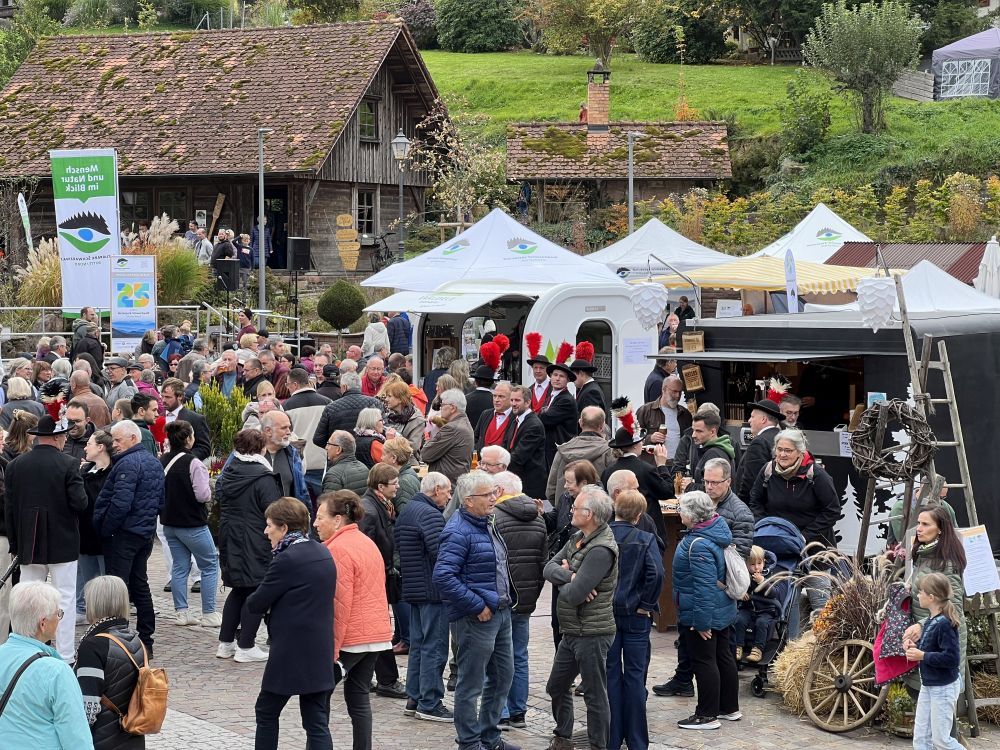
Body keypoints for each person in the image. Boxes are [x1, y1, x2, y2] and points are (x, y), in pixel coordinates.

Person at [433, 470, 518, 750]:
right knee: (471, 685)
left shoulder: (487, 521)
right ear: (468, 501)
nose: (494, 497)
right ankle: (469, 743)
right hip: (476, 617)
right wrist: (476, 604)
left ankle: (490, 737)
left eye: (494, 492)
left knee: (503, 675)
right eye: (488, 494)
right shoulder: (458, 530)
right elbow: (443, 576)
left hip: (501, 611)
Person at [248, 497, 337, 750]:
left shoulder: (287, 559)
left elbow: (256, 603)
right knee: (316, 720)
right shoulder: (322, 551)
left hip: (291, 651)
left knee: (266, 711)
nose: (266, 531)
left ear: (284, 527)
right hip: (319, 648)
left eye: (269, 526)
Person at [4, 415, 88, 662]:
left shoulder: (16, 465)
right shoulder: (69, 464)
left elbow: (10, 509)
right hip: (62, 540)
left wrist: (15, 543)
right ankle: (64, 653)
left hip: (29, 541)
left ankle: (28, 648)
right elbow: (80, 503)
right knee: (65, 596)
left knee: (29, 597)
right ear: (57, 437)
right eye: (63, 436)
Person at [314, 490, 393, 748]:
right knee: (358, 697)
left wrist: (332, 649)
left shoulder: (338, 549)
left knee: (318, 695)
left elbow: (340, 603)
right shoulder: (365, 542)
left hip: (353, 638)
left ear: (338, 520)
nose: (315, 523)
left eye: (319, 517)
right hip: (375, 634)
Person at [543, 484, 619, 750]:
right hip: (572, 630)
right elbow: (548, 566)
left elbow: (575, 595)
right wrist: (571, 575)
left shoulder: (600, 549)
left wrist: (569, 578)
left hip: (592, 632)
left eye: (577, 508)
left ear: (591, 514)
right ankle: (563, 735)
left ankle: (599, 745)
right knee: (556, 685)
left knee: (595, 696)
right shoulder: (578, 537)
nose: (571, 510)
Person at [93, 420, 164, 656]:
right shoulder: (153, 462)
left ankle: (119, 638)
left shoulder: (128, 464)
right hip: (143, 533)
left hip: (124, 534)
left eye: (117, 440)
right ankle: (146, 639)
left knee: (118, 588)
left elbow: (120, 504)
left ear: (133, 438)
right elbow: (160, 501)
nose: (113, 445)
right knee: (139, 584)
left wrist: (106, 528)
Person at [671, 490, 740, 731]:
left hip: (703, 612)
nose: (678, 512)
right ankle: (729, 707)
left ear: (692, 514)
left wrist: (701, 623)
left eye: (681, 508)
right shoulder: (713, 532)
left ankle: (707, 714)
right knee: (723, 656)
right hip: (721, 608)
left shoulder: (697, 544)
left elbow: (703, 587)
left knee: (704, 660)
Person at [0, 581, 94, 748]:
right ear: (43, 623)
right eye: (58, 614)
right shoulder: (57, 672)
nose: (59, 619)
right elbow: (77, 739)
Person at [215, 429, 282, 663]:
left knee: (239, 590)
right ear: (261, 448)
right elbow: (274, 511)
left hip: (230, 537)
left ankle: (225, 643)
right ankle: (246, 645)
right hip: (255, 539)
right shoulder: (263, 477)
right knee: (255, 590)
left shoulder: (229, 472)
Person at [606, 489, 664, 750]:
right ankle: (638, 741)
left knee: (611, 675)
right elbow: (657, 574)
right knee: (635, 676)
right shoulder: (645, 538)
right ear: (640, 515)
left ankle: (612, 737)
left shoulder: (602, 534)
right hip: (635, 615)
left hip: (606, 614)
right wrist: (646, 605)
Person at [393, 473, 453, 723]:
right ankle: (430, 702)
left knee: (419, 645)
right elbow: (441, 553)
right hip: (432, 591)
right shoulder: (429, 514)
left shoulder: (408, 510)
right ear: (436, 489)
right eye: (447, 491)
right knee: (434, 647)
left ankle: (415, 697)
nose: (449, 496)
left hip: (415, 588)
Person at [492, 471, 546, 731]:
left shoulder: (495, 518)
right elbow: (542, 562)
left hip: (501, 599)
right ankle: (518, 711)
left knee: (497, 656)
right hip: (526, 599)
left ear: (500, 491)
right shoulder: (538, 519)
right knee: (519, 654)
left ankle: (500, 711)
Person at [74, 575, 145, 750]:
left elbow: (87, 707)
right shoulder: (136, 641)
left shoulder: (93, 646)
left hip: (102, 740)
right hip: (132, 737)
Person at [160, 420, 220, 627]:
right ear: (188, 439)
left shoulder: (163, 460)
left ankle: (181, 613)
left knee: (179, 567)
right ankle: (209, 612)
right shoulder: (194, 462)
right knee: (210, 564)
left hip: (170, 522)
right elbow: (203, 495)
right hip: (192, 523)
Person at [903, 507, 968, 691]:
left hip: (940, 641)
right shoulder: (925, 555)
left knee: (940, 709)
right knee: (923, 702)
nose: (919, 528)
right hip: (925, 639)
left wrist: (921, 625)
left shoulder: (945, 563)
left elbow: (953, 607)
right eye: (918, 523)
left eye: (925, 524)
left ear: (940, 529)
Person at [357, 463, 407, 699]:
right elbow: (363, 546)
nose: (398, 487)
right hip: (373, 578)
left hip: (380, 574)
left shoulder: (381, 505)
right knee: (378, 630)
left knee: (376, 629)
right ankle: (386, 680)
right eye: (394, 484)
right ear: (380, 486)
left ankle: (373, 678)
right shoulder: (369, 509)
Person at [747, 429, 839, 548]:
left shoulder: (816, 475)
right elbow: (755, 501)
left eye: (788, 450)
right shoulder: (768, 470)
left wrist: (804, 536)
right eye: (779, 449)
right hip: (776, 541)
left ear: (800, 452)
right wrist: (765, 527)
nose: (782, 454)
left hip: (813, 546)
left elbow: (832, 511)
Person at [904, 572, 964, 750]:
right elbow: (932, 646)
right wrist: (913, 644)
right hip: (929, 685)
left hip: (943, 688)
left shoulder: (945, 623)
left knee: (942, 741)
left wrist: (922, 656)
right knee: (921, 739)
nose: (918, 595)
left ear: (931, 597)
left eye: (921, 592)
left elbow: (952, 658)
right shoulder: (931, 620)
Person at [601, 426, 672, 546]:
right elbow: (667, 491)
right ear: (635, 445)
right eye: (641, 441)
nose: (643, 443)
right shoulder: (646, 469)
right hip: (644, 529)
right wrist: (661, 465)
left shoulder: (608, 471)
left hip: (616, 531)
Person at [77, 430, 113, 623]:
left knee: (107, 579)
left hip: (104, 535)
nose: (85, 447)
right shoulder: (84, 471)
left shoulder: (113, 472)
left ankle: (108, 616)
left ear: (101, 447)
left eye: (89, 444)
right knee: (88, 579)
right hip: (85, 535)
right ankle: (91, 615)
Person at [546, 405, 614, 503]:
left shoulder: (562, 451)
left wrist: (562, 509)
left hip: (566, 513)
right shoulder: (609, 452)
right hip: (598, 512)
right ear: (602, 426)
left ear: (580, 423)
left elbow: (551, 490)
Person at [283, 367, 332, 500]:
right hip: (322, 461)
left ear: (295, 385)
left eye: (287, 385)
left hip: (299, 463)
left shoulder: (286, 406)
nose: (287, 388)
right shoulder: (328, 403)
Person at [734, 545, 783, 664]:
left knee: (762, 623)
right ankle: (737, 646)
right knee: (739, 619)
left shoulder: (769, 575)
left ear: (764, 562)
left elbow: (774, 593)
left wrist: (763, 582)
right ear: (745, 564)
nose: (756, 567)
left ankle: (758, 649)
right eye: (752, 564)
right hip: (748, 608)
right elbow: (737, 587)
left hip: (766, 610)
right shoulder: (744, 575)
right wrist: (741, 593)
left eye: (759, 563)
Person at [312, 372, 383, 452]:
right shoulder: (375, 403)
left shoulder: (331, 408)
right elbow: (383, 429)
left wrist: (334, 448)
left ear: (344, 387)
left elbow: (318, 439)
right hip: (369, 453)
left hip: (340, 455)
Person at [701, 458, 754, 558]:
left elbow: (738, 556)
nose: (709, 487)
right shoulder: (701, 503)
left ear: (728, 481)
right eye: (706, 481)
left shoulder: (741, 513)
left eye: (714, 482)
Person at [421, 389, 474, 486]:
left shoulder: (452, 428)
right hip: (453, 484)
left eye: (442, 405)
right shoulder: (464, 422)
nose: (440, 407)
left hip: (445, 488)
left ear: (452, 408)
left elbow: (425, 454)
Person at [734, 399, 782, 502]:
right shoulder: (782, 439)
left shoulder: (759, 442)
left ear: (763, 419)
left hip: (755, 507)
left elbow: (751, 480)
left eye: (752, 416)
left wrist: (741, 504)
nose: (749, 420)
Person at [260, 412, 310, 509]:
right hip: (256, 521)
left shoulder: (293, 454)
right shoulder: (248, 453)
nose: (289, 432)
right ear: (268, 431)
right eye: (283, 428)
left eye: (289, 427)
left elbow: (301, 491)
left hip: (285, 519)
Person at [505, 385, 547, 500]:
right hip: (517, 480)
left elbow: (519, 456)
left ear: (528, 402)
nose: (513, 404)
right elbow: (507, 447)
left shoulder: (534, 425)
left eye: (517, 400)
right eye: (512, 400)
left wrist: (496, 465)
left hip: (530, 485)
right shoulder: (515, 420)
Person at [680, 411, 736, 491]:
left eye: (699, 431)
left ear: (712, 432)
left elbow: (714, 490)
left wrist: (690, 486)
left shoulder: (713, 454)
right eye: (693, 430)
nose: (693, 435)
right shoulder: (715, 450)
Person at [637, 375, 689, 463]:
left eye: (680, 392)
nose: (677, 396)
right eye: (674, 391)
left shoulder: (685, 414)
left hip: (677, 466)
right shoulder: (645, 411)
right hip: (654, 466)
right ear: (664, 389)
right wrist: (650, 438)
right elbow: (633, 437)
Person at [539, 358, 578, 468]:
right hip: (550, 448)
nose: (557, 378)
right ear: (550, 376)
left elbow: (546, 419)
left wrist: (541, 413)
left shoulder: (566, 400)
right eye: (555, 375)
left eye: (561, 376)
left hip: (560, 449)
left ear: (567, 380)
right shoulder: (551, 396)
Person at [321, 430, 369, 496]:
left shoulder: (334, 475)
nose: (326, 447)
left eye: (329, 444)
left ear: (338, 450)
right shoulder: (364, 468)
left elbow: (329, 504)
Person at [474, 381, 513, 455]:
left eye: (501, 396)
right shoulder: (486, 414)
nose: (496, 400)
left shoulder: (515, 418)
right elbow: (475, 437)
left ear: (511, 398)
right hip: (483, 462)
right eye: (494, 396)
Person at [381, 437, 420, 511]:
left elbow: (404, 514)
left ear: (393, 458)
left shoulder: (403, 482)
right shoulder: (407, 473)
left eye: (383, 454)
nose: (381, 458)